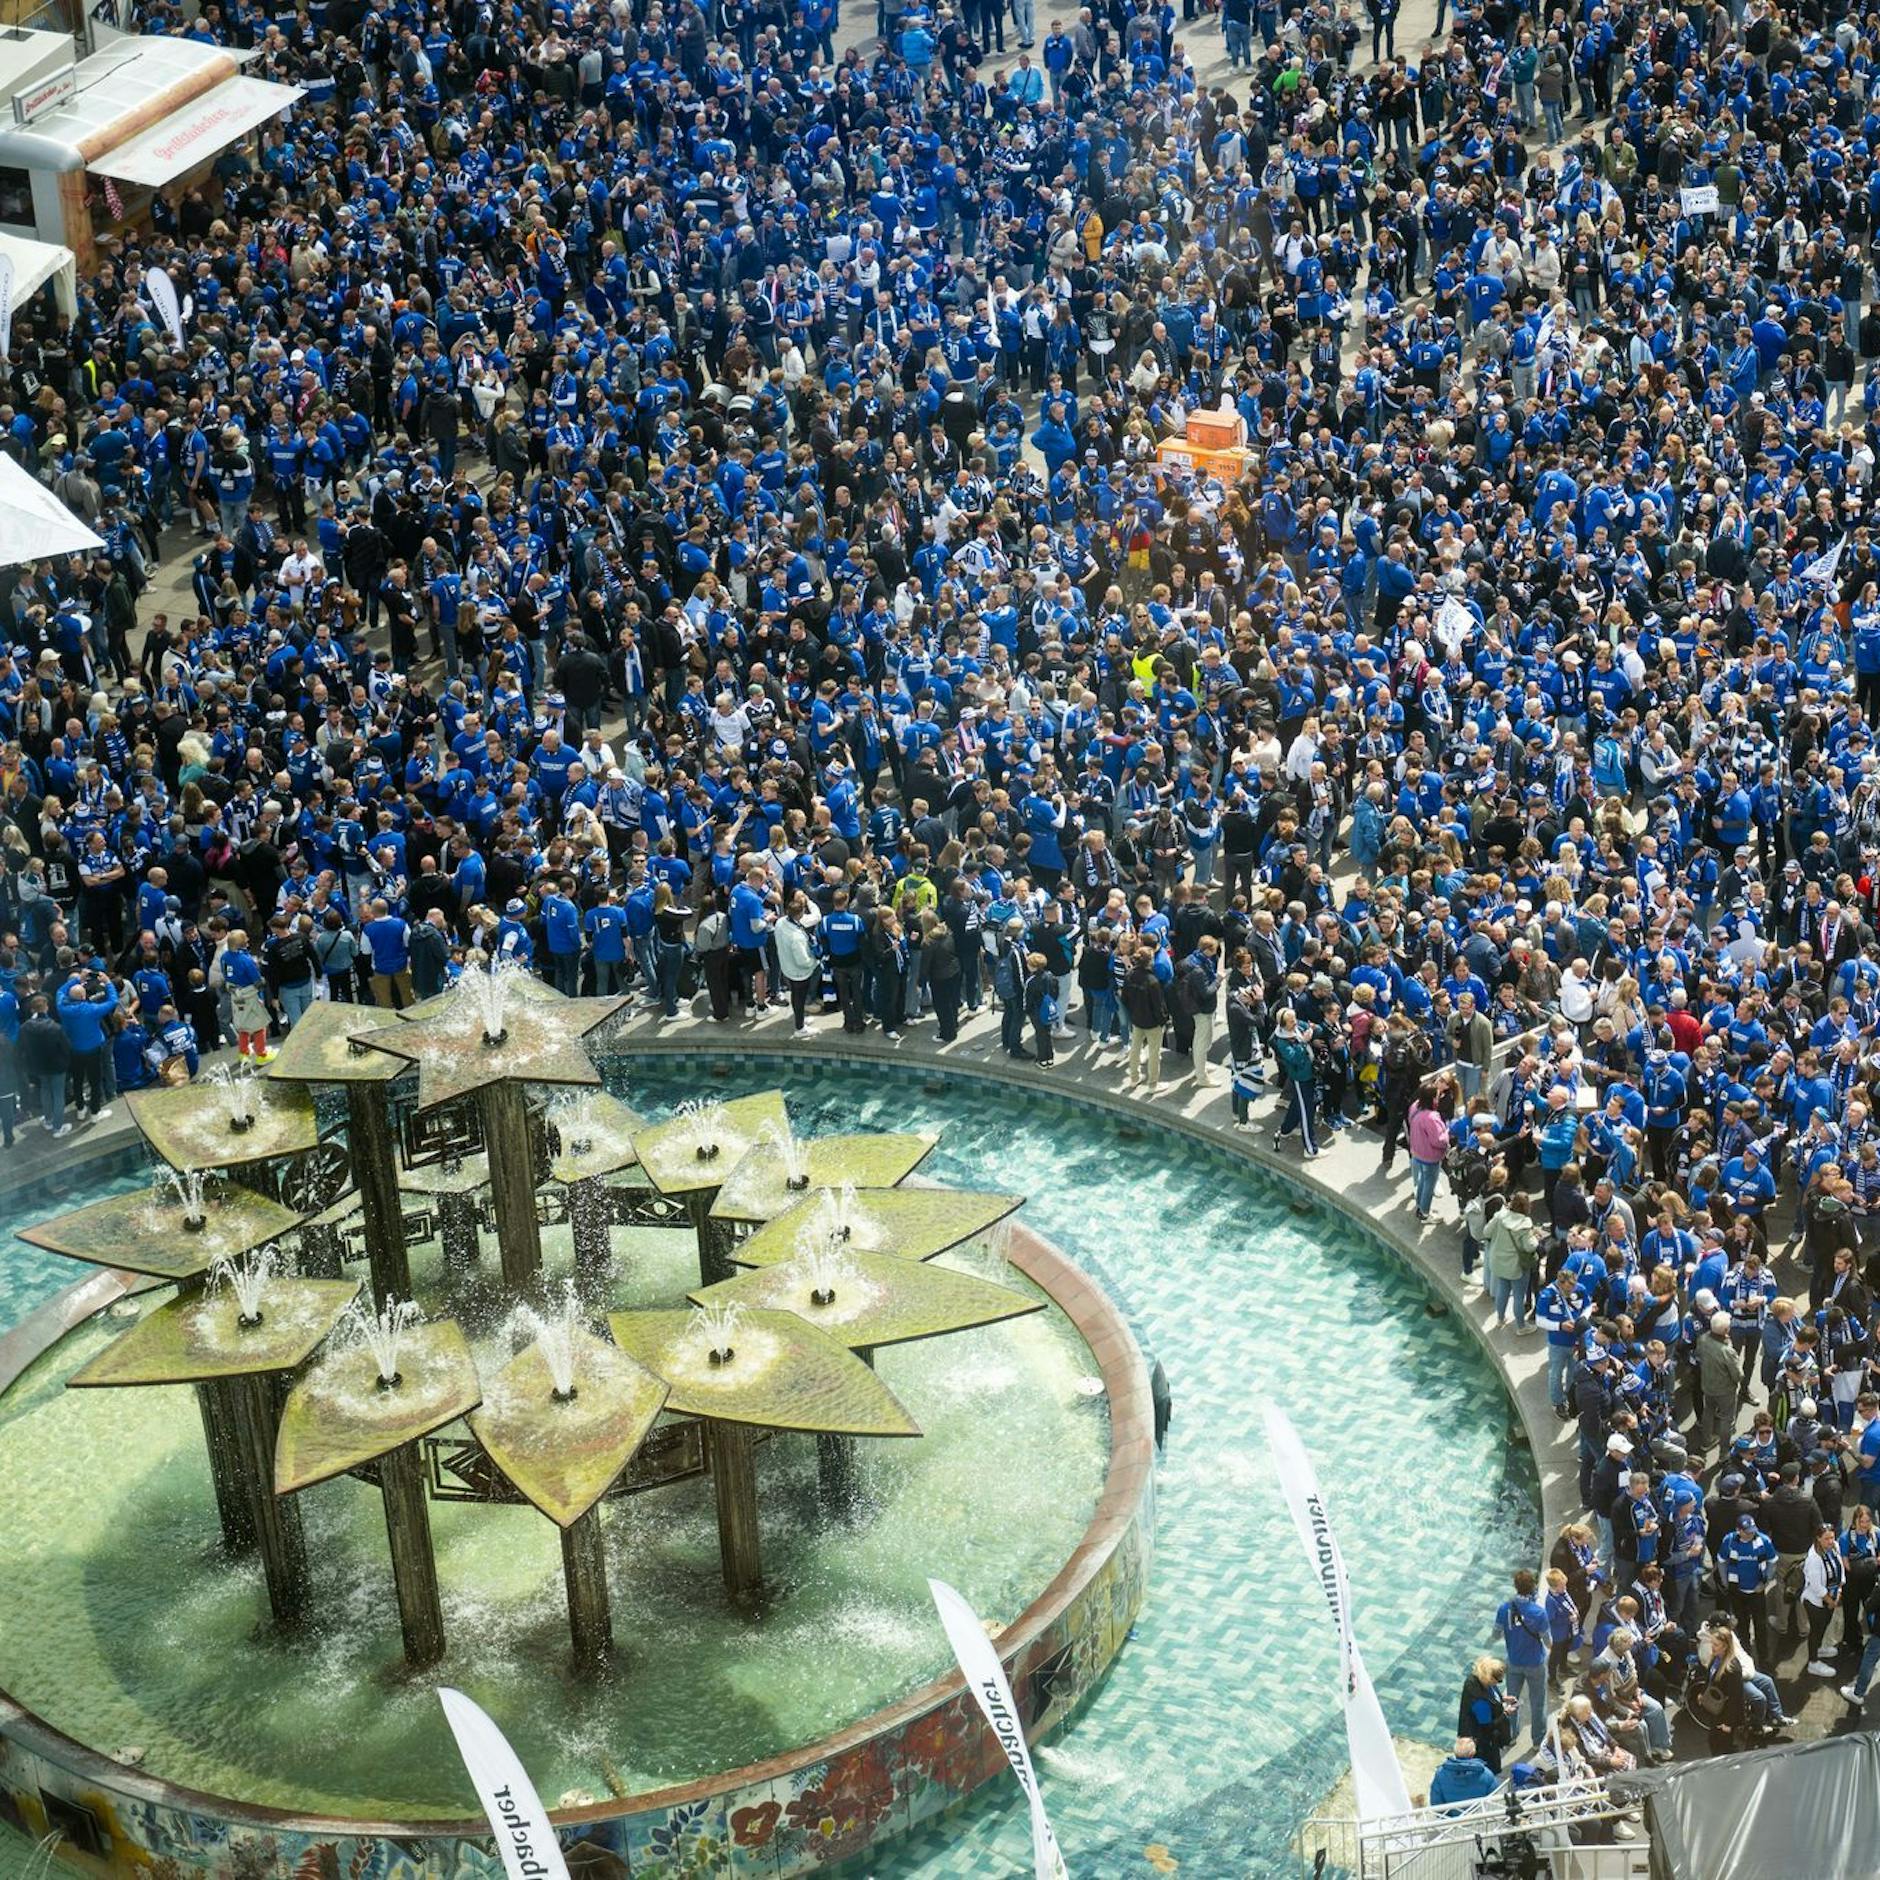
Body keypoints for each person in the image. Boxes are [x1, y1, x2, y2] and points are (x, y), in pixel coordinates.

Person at [1496, 1569, 1550, 1749]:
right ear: (1533, 1587)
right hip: (1535, 1663)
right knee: (1538, 1703)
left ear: (1516, 1586)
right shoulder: (1539, 1613)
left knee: (1511, 1700)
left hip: (1514, 1662)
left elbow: (1496, 1634)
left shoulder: (1504, 1608)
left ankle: (1511, 1735)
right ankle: (1537, 1741)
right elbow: (1547, 1640)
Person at [1482, 1192, 1538, 1330]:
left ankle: (1500, 1320)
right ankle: (1521, 1327)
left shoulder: (1500, 1216)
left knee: (1502, 1290)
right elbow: (1529, 1246)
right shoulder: (1525, 1223)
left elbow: (1486, 1232)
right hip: (1516, 1266)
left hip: (1499, 1262)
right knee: (1519, 1297)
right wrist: (1535, 1238)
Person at [1802, 1521, 1848, 1678]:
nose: (1830, 1541)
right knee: (1816, 1630)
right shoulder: (1814, 1558)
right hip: (1816, 1602)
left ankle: (1818, 1649)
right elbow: (1816, 1586)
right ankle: (1813, 1662)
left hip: (1832, 1597)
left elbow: (1840, 1568)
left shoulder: (1835, 1546)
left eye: (1832, 1537)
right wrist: (1830, 1600)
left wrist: (1839, 1589)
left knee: (1823, 1626)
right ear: (1818, 1538)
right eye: (1826, 1539)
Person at [1457, 1656, 1516, 1774]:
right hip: (1482, 1740)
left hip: (1481, 1730)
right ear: (1490, 1678)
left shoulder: (1479, 1679)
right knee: (1490, 1766)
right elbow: (1487, 1727)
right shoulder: (1480, 1702)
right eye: (1499, 1681)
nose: (1499, 1683)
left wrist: (1503, 1699)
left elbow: (1491, 1695)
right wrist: (1505, 1713)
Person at [1428, 1738, 1499, 1812]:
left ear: (1455, 1752)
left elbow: (1436, 1802)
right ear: (1473, 1753)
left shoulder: (1441, 1773)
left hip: (1452, 1818)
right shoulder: (1486, 1774)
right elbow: (1494, 1799)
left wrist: (1447, 1816)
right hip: (1479, 1816)